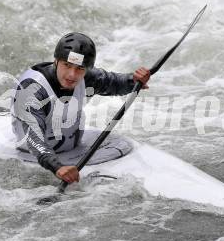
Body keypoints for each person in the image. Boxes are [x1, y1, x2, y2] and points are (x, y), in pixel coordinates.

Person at [11, 32, 150, 184]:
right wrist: (57, 167)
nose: (72, 74)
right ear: (56, 61)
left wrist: (134, 80)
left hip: (72, 152)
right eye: (67, 65)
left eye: (80, 68)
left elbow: (114, 83)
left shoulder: (86, 77)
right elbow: (34, 137)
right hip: (36, 160)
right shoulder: (32, 90)